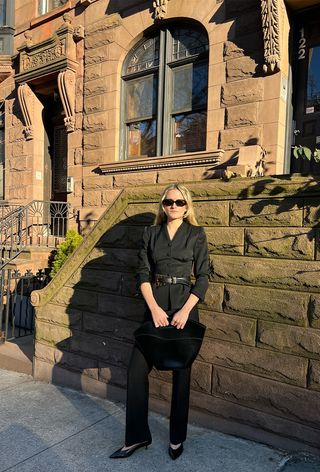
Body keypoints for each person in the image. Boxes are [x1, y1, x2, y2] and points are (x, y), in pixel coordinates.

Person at [110, 183, 209, 460]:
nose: (173, 206)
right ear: (162, 205)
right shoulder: (150, 234)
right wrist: (152, 307)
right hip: (154, 307)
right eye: (168, 202)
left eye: (179, 202)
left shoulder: (196, 234)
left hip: (183, 306)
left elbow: (203, 277)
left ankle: (177, 438)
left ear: (187, 206)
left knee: (182, 374)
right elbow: (142, 273)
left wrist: (186, 310)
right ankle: (137, 437)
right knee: (135, 370)